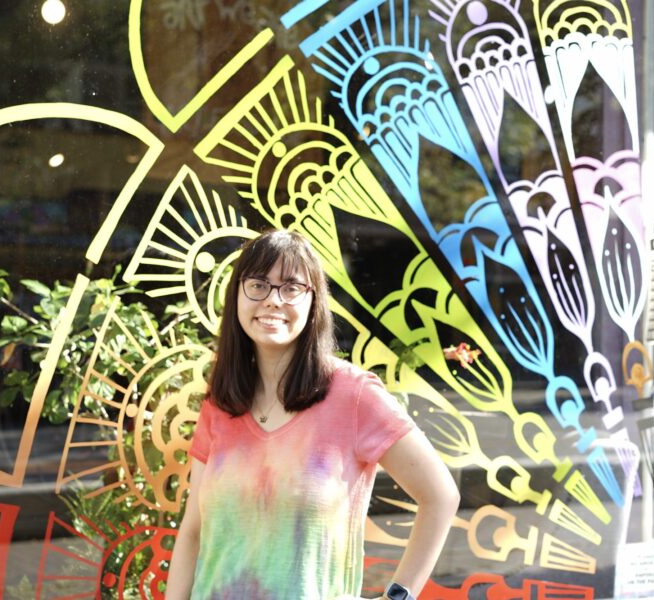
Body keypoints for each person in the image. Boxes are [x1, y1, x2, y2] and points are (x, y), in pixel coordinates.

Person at [165, 229, 460, 600]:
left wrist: (397, 597)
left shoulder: (354, 395)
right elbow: (193, 531)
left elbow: (440, 496)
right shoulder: (222, 402)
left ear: (314, 301)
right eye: (258, 284)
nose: (273, 300)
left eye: (291, 288)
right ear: (237, 294)